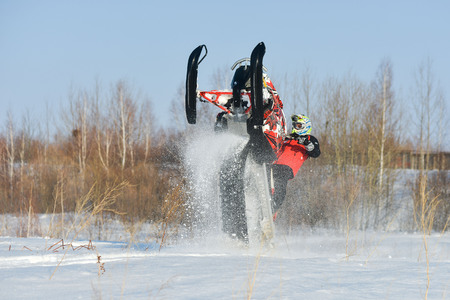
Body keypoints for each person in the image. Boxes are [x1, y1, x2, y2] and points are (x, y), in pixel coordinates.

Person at [271, 114, 320, 213]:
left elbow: (316, 152)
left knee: (280, 188)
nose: (295, 128)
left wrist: (306, 143)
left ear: (305, 126)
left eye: (298, 126)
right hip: (272, 165)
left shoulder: (309, 139)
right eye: (294, 125)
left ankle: (272, 208)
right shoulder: (287, 138)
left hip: (287, 168)